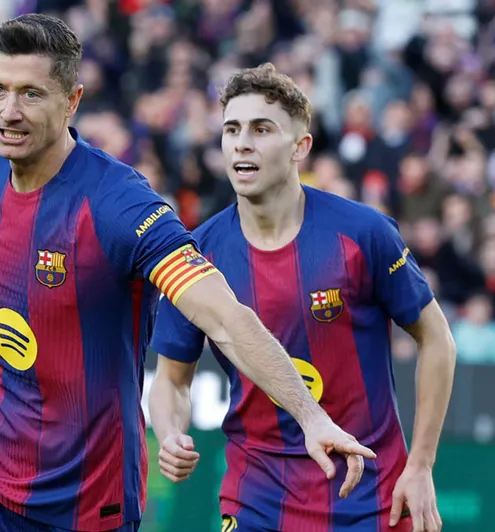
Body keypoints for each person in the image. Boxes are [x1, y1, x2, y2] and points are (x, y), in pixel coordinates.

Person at [0, 14, 375, 532]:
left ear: (72, 100)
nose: (8, 111)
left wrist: (310, 416)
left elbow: (224, 318)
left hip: (81, 494)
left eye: (31, 94)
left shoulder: (119, 206)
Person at [148, 63, 457, 532]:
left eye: (261, 129)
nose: (242, 143)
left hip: (372, 501)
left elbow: (437, 339)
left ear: (301, 147)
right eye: (231, 129)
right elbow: (172, 380)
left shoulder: (363, 233)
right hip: (256, 503)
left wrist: (421, 465)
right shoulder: (196, 256)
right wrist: (170, 431)